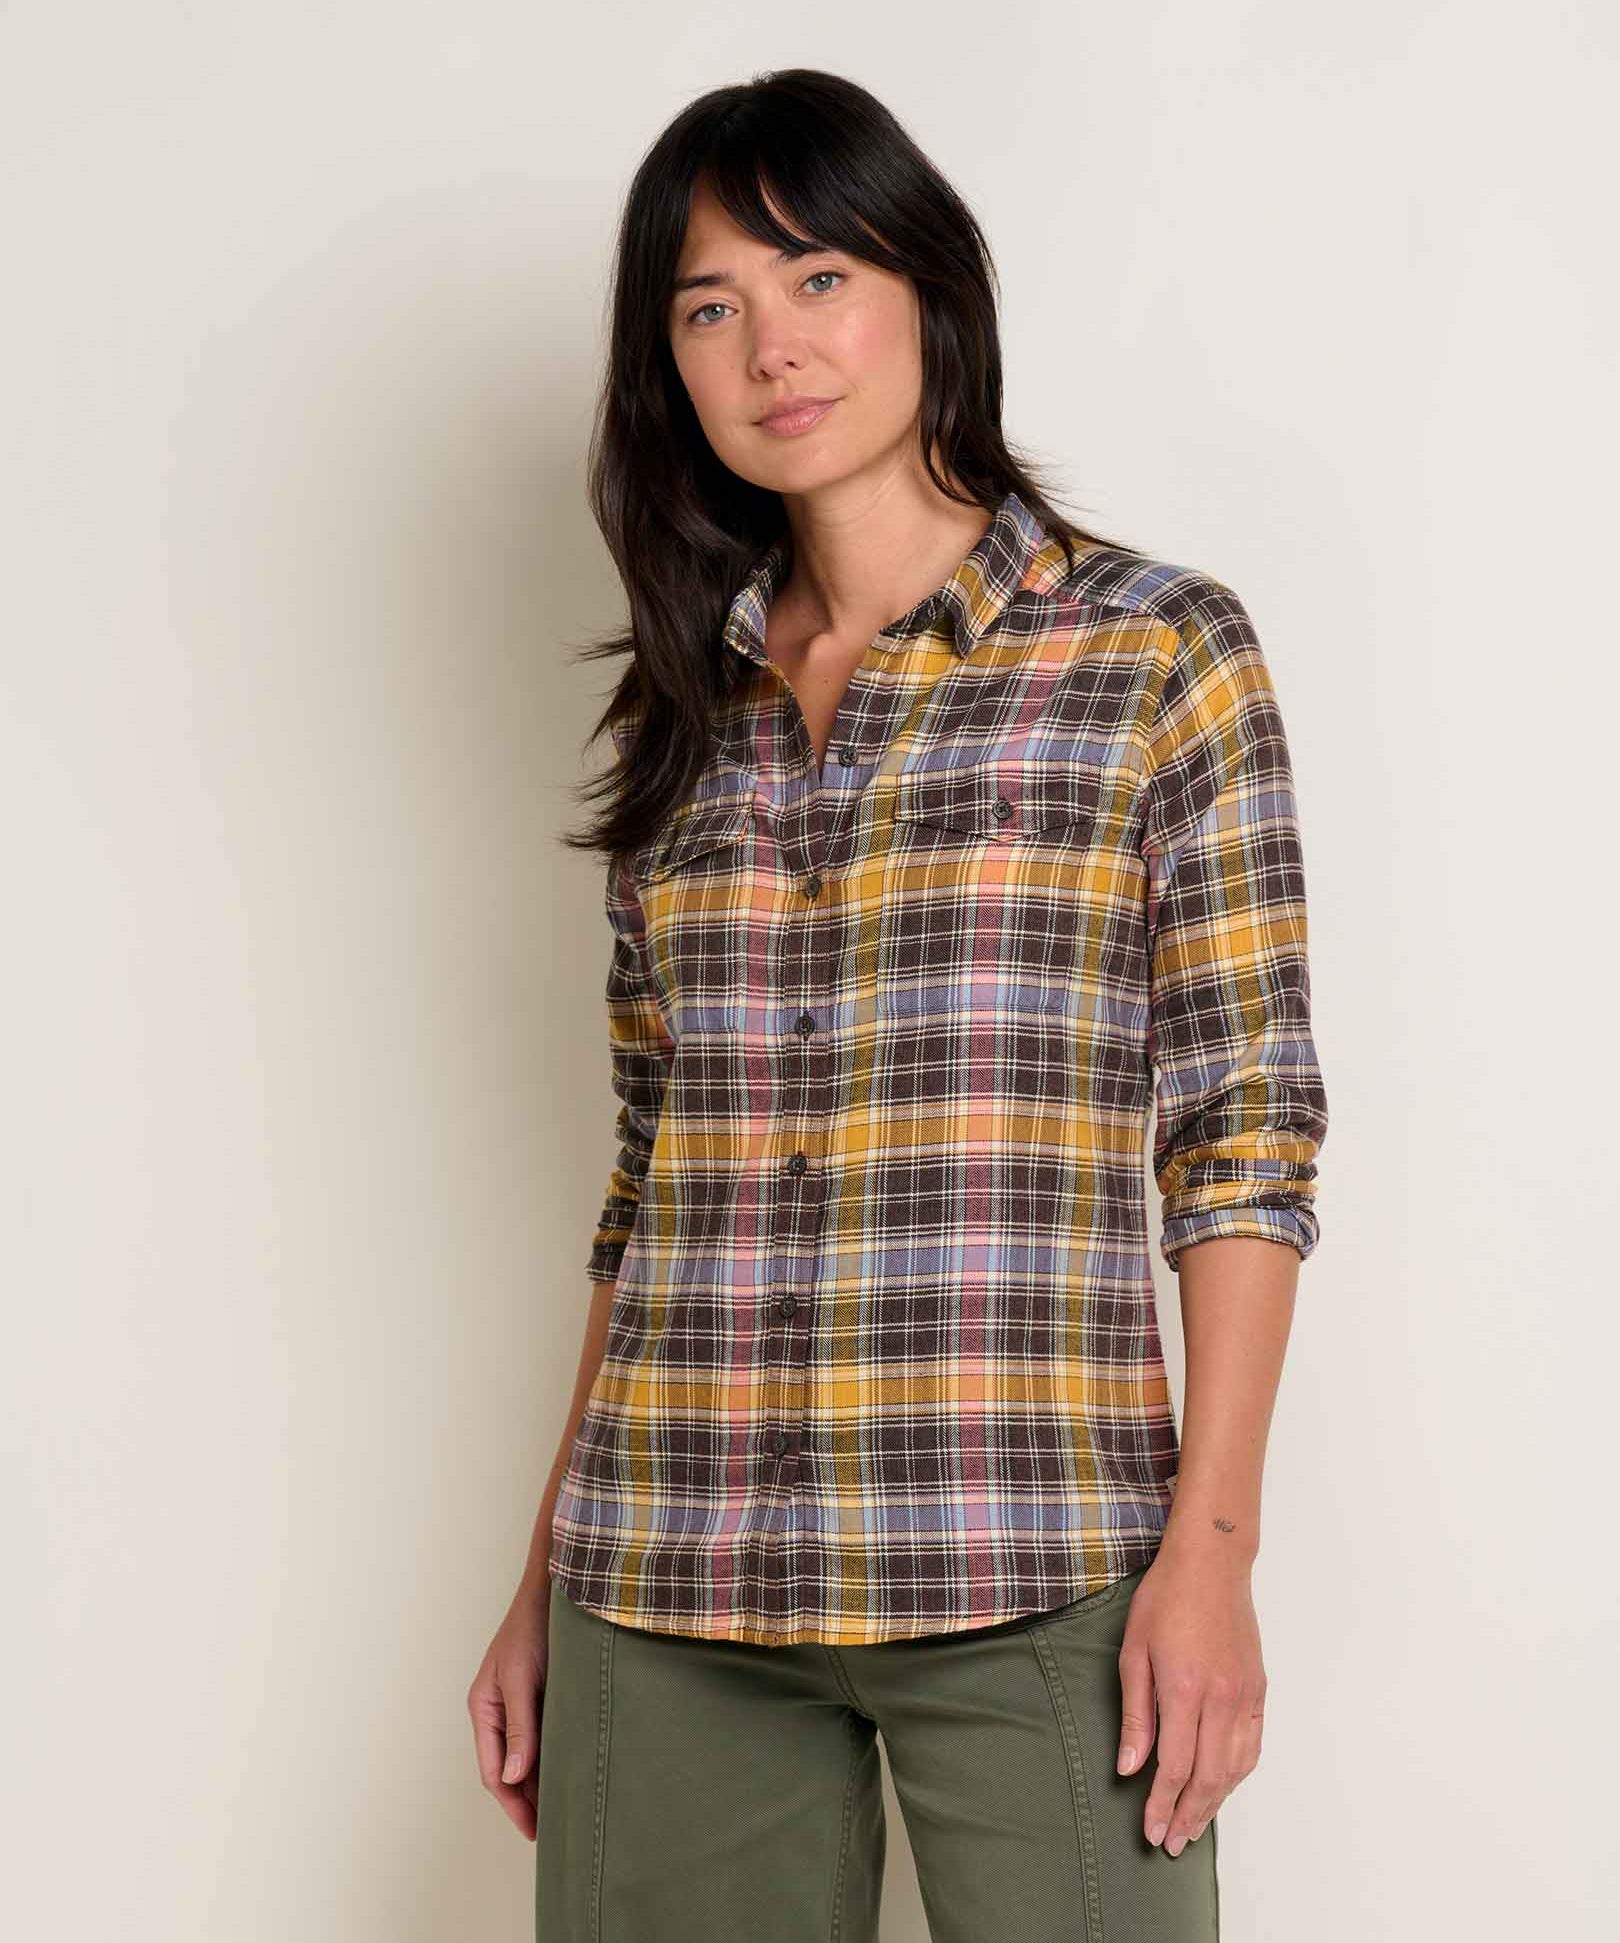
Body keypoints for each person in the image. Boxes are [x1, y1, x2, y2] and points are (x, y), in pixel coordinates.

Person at [468, 66, 1329, 1943]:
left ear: (931, 288)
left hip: (1036, 1559)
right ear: (669, 367)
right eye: (709, 307)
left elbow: (1245, 1140)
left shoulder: (1154, 653)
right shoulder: (682, 709)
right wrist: (544, 1567)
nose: (771, 347)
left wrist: (1213, 1557)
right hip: (665, 1577)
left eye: (818, 278)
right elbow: (651, 1180)